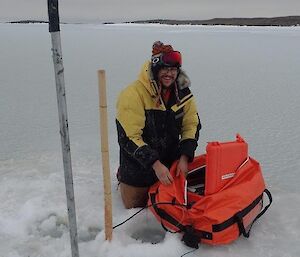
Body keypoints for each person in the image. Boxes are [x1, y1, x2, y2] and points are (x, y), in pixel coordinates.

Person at [116, 41, 201, 209]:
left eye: (173, 69)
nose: (169, 74)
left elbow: (191, 124)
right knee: (136, 208)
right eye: (165, 69)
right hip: (138, 169)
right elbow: (129, 138)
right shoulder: (133, 94)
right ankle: (122, 180)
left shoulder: (183, 94)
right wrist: (155, 164)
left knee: (172, 206)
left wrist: (184, 157)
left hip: (171, 164)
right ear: (155, 69)